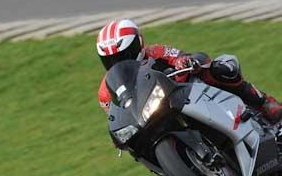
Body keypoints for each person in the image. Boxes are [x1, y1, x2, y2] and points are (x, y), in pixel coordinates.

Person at [95, 19, 282, 122]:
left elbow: (181, 56)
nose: (120, 62)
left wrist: (183, 62)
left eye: (125, 54)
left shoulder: (154, 52)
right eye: (111, 59)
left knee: (221, 68)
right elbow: (116, 118)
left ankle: (264, 103)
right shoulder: (105, 92)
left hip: (185, 93)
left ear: (140, 43)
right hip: (154, 118)